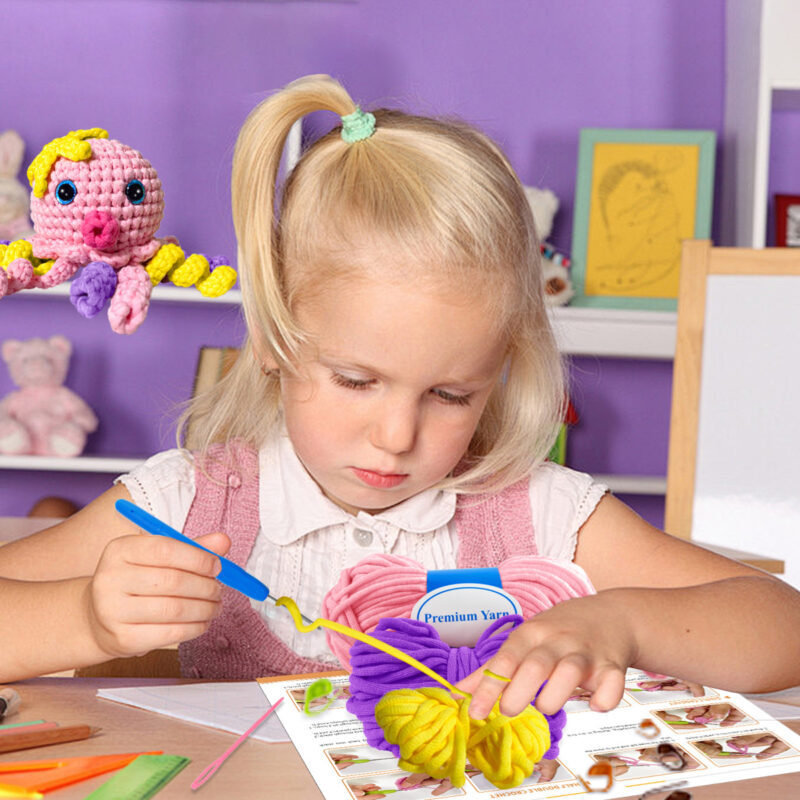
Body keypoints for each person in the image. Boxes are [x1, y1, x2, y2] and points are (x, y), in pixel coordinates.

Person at [1, 75, 799, 729]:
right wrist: (85, 619)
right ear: (278, 339)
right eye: (357, 380)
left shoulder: (533, 513)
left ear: (501, 371)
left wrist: (622, 624)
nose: (396, 435)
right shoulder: (193, 500)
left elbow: (782, 627)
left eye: (450, 394)